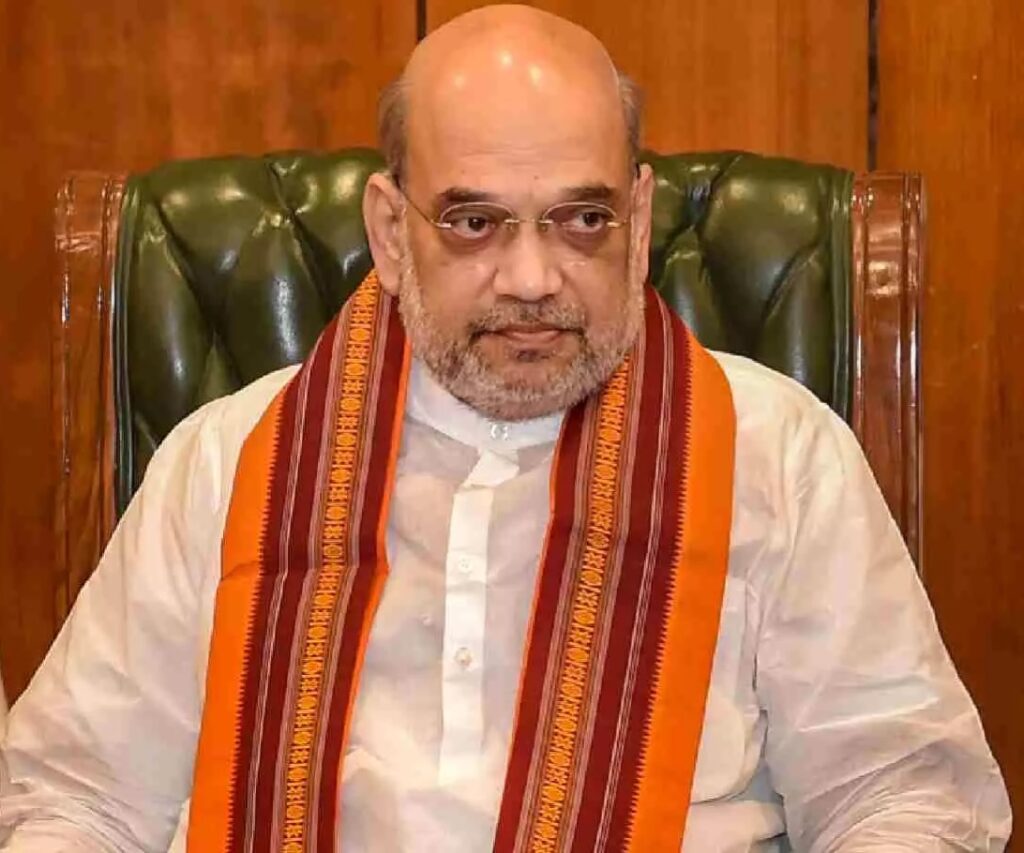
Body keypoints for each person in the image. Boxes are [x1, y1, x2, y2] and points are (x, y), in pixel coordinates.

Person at [0, 5, 1011, 852]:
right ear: (390, 232)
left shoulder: (782, 456)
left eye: (583, 219)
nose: (532, 279)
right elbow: (76, 801)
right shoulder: (226, 465)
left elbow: (907, 798)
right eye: (475, 222)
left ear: (639, 220)